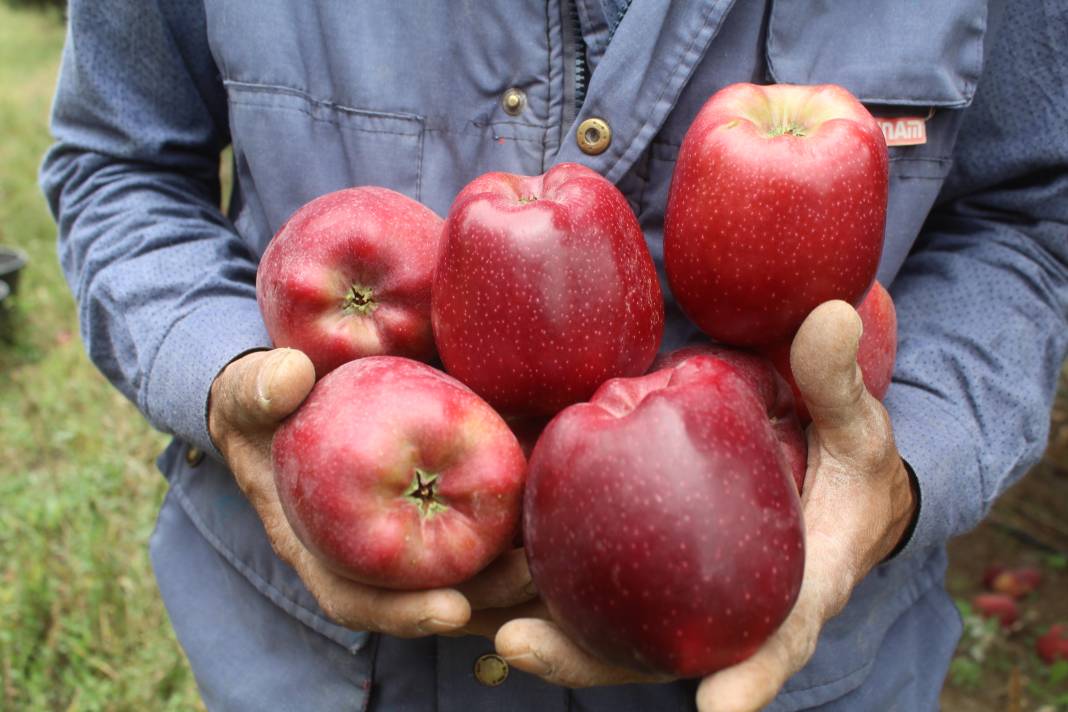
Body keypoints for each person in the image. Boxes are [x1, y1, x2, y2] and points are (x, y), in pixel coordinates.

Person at [41, 0, 1067, 710]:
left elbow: (1028, 219)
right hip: (315, 663)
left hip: (816, 667)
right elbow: (116, 164)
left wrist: (897, 470)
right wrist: (228, 379)